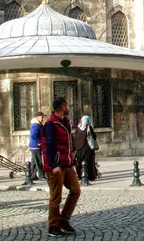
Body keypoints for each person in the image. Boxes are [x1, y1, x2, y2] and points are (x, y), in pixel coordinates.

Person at [42, 96, 81, 237]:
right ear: (63, 108)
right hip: (56, 167)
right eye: (68, 105)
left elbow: (68, 144)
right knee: (56, 197)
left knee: (76, 190)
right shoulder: (51, 124)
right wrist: (53, 165)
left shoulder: (65, 122)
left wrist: (72, 159)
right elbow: (49, 146)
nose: (69, 107)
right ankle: (53, 226)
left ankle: (64, 220)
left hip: (67, 164)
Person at [75, 115, 98, 181]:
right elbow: (93, 136)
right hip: (87, 149)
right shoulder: (88, 128)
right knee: (88, 162)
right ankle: (90, 176)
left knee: (80, 162)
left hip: (79, 149)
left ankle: (80, 175)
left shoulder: (78, 128)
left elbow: (75, 138)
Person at [29, 112, 45, 181]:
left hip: (35, 146)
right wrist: (39, 141)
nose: (43, 118)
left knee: (34, 162)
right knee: (38, 161)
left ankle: (32, 175)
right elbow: (33, 135)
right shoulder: (36, 125)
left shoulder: (39, 125)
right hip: (35, 146)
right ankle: (41, 176)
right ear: (37, 118)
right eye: (42, 117)